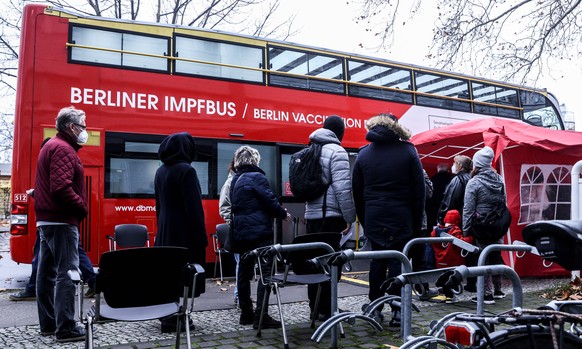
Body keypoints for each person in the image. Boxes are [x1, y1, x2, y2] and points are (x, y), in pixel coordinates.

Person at [352, 113, 425, 326]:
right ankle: (398, 310)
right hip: (402, 215)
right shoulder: (409, 151)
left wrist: (366, 220)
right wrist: (415, 220)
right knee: (397, 262)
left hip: (374, 215)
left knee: (377, 262)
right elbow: (419, 191)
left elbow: (356, 192)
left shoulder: (364, 154)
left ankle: (375, 308)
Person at [10, 138, 96, 302]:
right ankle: (92, 281)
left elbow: (60, 190)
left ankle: (60, 320)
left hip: (54, 220)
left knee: (56, 268)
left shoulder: (56, 158)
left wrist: (81, 208)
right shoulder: (58, 159)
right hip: (57, 221)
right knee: (54, 260)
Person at [34, 106, 88, 343]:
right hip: (61, 221)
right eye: (83, 125)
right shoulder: (64, 149)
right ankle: (65, 328)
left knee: (45, 273)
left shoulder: (52, 146)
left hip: (47, 220)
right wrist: (82, 207)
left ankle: (48, 323)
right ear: (71, 127)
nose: (85, 130)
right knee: (67, 274)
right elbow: (61, 187)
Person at [230, 145, 290, 329]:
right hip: (259, 232)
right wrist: (283, 214)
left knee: (244, 272)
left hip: (240, 232)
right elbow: (270, 201)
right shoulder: (257, 177)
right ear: (255, 160)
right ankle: (261, 316)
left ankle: (246, 313)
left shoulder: (235, 179)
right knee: (265, 274)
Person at [304, 115, 356, 320]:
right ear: (339, 132)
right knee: (332, 263)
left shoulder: (310, 149)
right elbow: (343, 189)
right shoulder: (337, 151)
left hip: (311, 217)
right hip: (331, 217)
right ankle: (328, 308)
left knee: (314, 262)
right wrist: (349, 217)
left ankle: (314, 308)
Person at [154, 132, 207, 333]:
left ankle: (168, 315)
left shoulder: (161, 171)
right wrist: (201, 237)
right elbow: (194, 209)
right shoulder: (187, 171)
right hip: (183, 231)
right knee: (184, 274)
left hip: (165, 229)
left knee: (168, 273)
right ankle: (178, 318)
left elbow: (158, 205)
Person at [462, 146, 507, 304]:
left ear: (477, 164)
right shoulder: (500, 180)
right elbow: (504, 203)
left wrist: (466, 230)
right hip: (497, 223)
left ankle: (486, 294)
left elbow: (468, 209)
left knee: (483, 258)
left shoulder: (474, 182)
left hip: (481, 225)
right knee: (496, 255)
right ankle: (499, 290)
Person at [438, 155, 475, 290]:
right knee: (470, 253)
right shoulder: (472, 178)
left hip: (456, 221)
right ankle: (471, 282)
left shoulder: (457, 180)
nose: (453, 165)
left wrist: (442, 219)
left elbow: (449, 202)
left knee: (453, 254)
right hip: (469, 221)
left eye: (455, 163)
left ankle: (452, 283)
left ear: (460, 166)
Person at [218, 158, 240, 306]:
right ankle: (239, 296)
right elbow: (224, 208)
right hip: (239, 230)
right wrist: (234, 224)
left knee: (244, 264)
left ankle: (241, 296)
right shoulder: (230, 182)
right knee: (241, 264)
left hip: (247, 229)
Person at [425, 163, 453, 269]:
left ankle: (430, 265)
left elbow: (427, 200)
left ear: (438, 169)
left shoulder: (432, 180)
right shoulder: (452, 180)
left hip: (432, 216)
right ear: (449, 169)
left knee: (430, 241)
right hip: (449, 216)